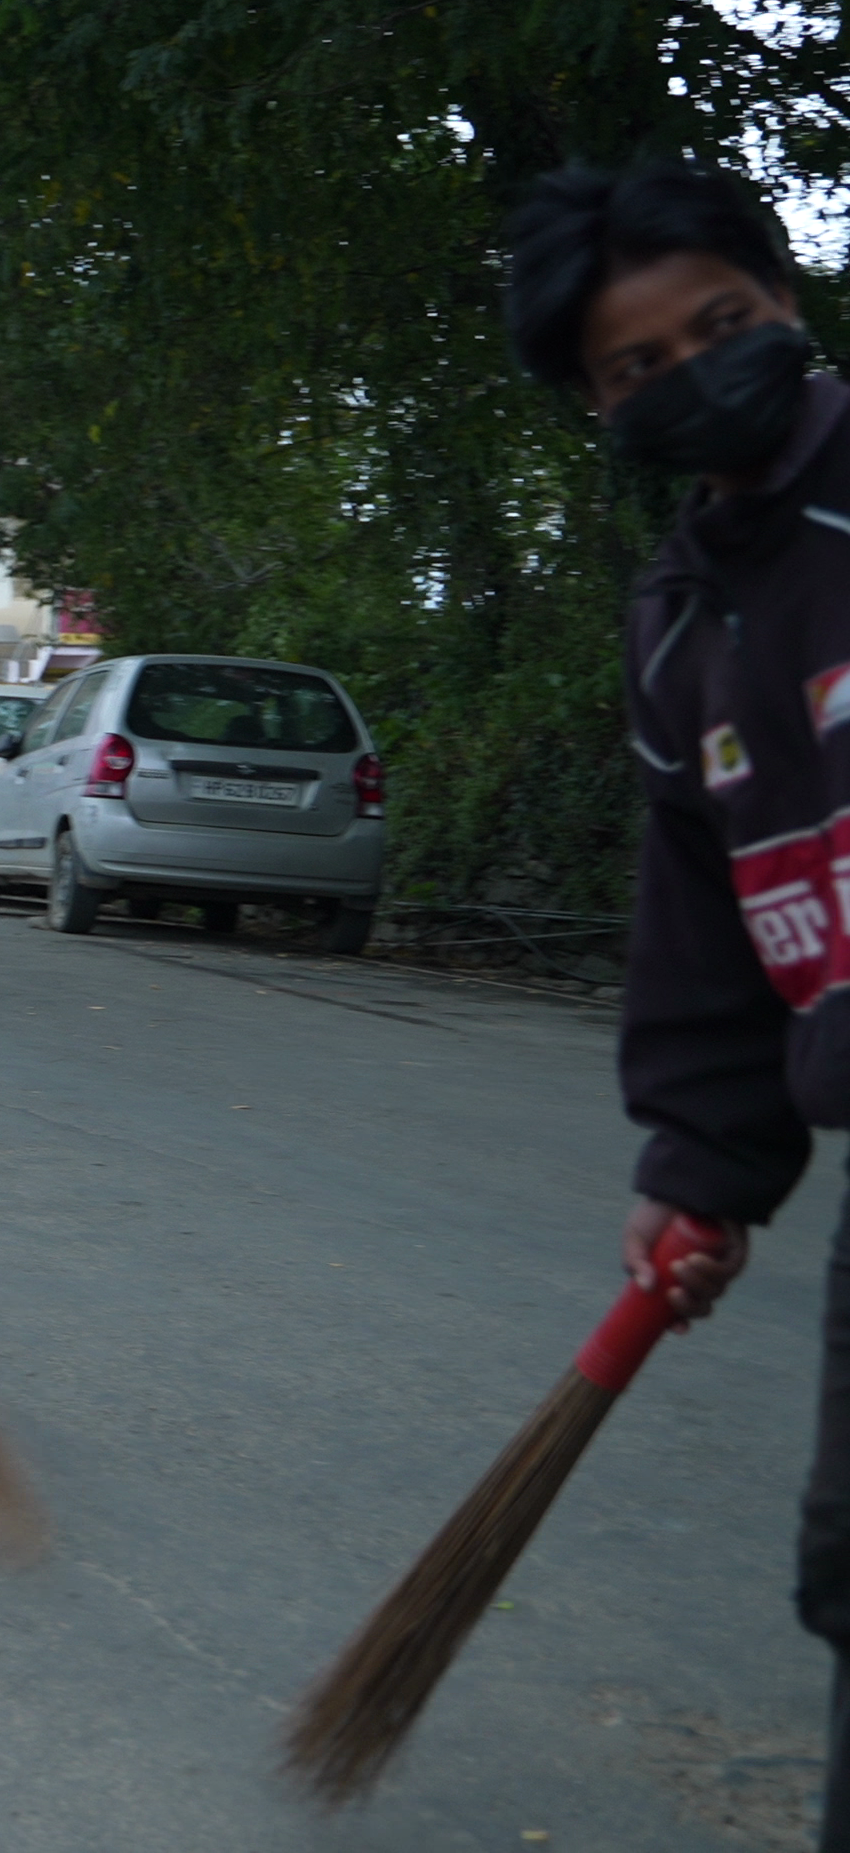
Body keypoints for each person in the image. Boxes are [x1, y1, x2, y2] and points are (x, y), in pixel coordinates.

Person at [504, 159, 849, 1842]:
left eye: (721, 328)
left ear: (786, 300)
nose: (692, 375)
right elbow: (708, 934)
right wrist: (702, 1166)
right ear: (594, 401)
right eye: (637, 367)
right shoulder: (679, 627)